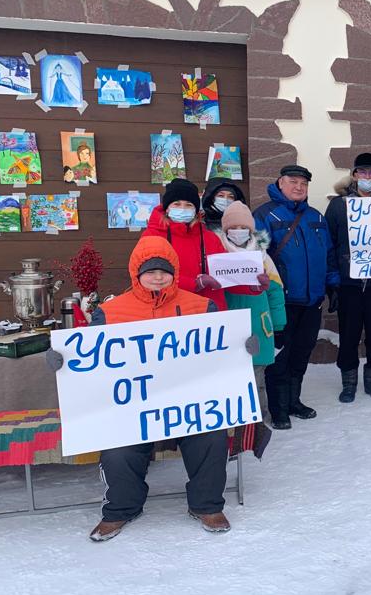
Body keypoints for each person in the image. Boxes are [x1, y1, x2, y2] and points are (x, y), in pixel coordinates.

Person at [56, 237, 246, 540]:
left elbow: (222, 351)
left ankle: (207, 506)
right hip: (134, 406)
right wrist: (64, 360)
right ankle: (121, 509)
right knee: (118, 453)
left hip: (189, 403)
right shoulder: (111, 311)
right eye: (149, 270)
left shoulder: (201, 305)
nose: (158, 276)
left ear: (174, 271)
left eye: (164, 270)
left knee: (212, 437)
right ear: (136, 273)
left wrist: (243, 346)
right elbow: (90, 357)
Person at [254, 165, 338, 429]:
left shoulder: (316, 217)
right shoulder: (264, 216)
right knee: (280, 356)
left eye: (304, 183)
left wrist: (332, 285)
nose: (299, 187)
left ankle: (294, 401)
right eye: (293, 182)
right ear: (280, 183)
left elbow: (329, 255)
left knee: (301, 353)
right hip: (282, 302)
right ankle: (278, 409)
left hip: (312, 301)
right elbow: (257, 259)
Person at [326, 153, 371, 403]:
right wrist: (334, 280)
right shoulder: (338, 205)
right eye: (363, 172)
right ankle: (349, 381)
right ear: (354, 175)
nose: (368, 177)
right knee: (349, 333)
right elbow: (330, 243)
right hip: (349, 283)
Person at [143, 178, 265, 312]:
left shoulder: (210, 238)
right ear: (167, 208)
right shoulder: (152, 236)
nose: (183, 209)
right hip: (171, 314)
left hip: (210, 312)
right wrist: (194, 284)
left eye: (189, 205)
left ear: (196, 209)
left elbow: (226, 274)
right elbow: (149, 277)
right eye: (177, 204)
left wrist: (253, 284)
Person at [217, 202, 287, 426]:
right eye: (233, 226)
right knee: (229, 376)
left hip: (258, 325)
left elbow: (276, 291)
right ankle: (235, 422)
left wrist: (278, 324)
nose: (238, 231)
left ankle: (259, 422)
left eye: (243, 226)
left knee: (257, 378)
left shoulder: (262, 256)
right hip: (227, 326)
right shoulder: (216, 253)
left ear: (251, 228)